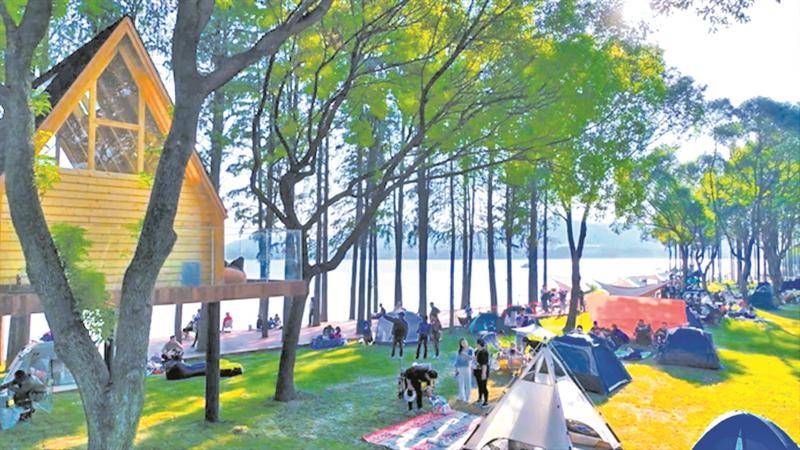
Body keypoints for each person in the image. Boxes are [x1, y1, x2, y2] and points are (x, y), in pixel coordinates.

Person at [454, 338, 473, 402]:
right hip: (460, 368)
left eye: (465, 342)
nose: (464, 344)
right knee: (460, 383)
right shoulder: (460, 350)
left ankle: (468, 397)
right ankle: (461, 396)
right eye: (462, 343)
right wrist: (456, 369)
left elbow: (471, 358)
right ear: (461, 344)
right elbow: (457, 360)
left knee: (468, 383)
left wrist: (464, 354)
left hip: (467, 368)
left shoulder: (470, 349)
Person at [473, 338, 490, 407]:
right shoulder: (476, 351)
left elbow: (484, 364)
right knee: (479, 385)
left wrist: (484, 373)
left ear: (479, 344)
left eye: (477, 344)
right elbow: (475, 360)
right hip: (477, 371)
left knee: (484, 386)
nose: (476, 345)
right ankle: (480, 398)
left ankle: (486, 401)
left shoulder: (484, 352)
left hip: (483, 371)